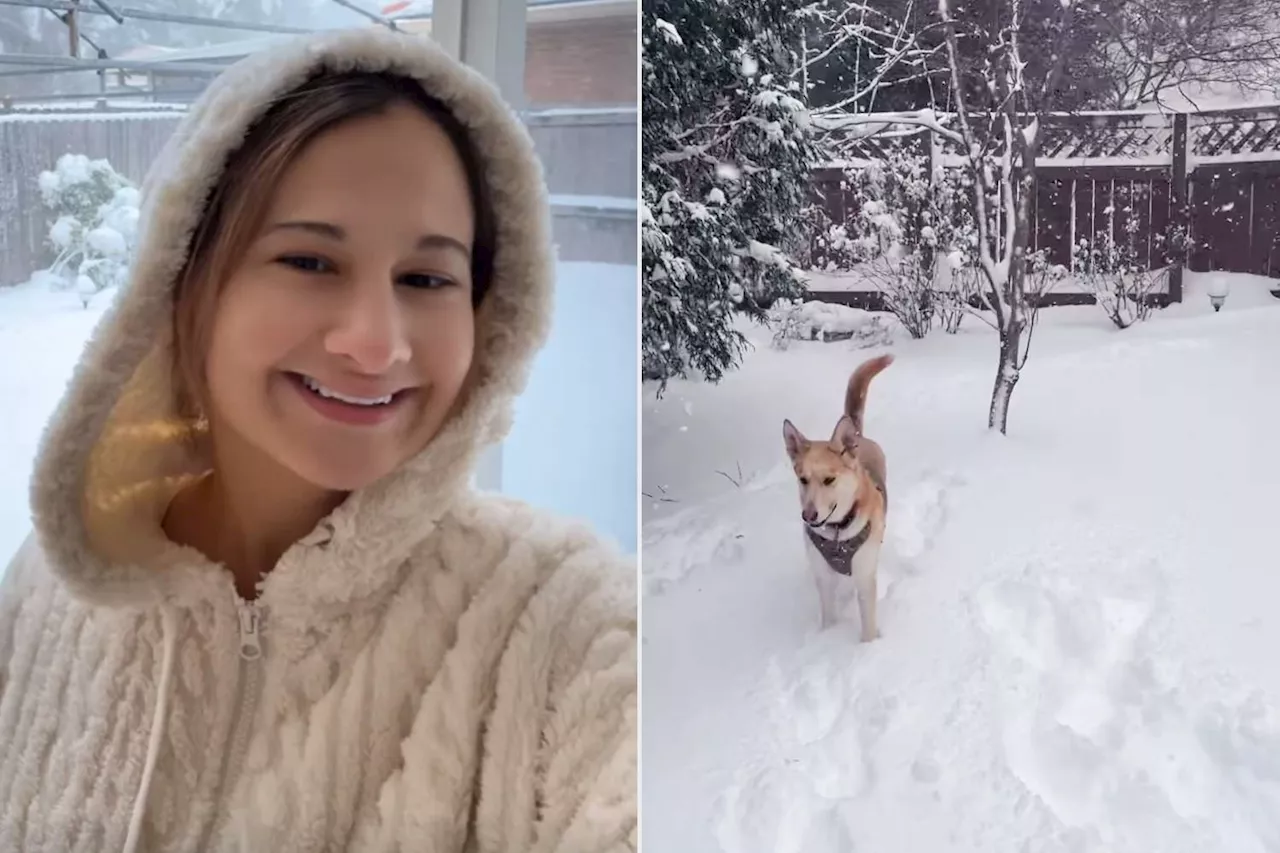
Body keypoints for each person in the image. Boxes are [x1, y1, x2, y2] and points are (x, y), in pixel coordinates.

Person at [0, 26, 636, 853]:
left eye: (427, 278)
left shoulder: (562, 625)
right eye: (309, 261)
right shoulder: (48, 587)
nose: (378, 343)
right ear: (184, 281)